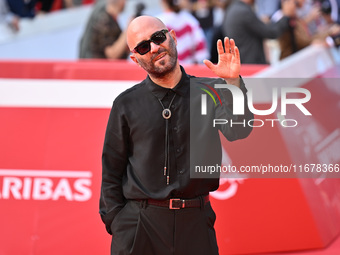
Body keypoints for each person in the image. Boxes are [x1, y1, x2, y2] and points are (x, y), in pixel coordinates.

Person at [100, 15, 253, 255]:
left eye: (158, 37)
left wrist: (233, 82)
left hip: (196, 225)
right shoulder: (125, 104)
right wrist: (118, 224)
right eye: (143, 46)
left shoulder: (211, 91)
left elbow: (239, 128)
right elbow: (111, 172)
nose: (154, 48)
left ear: (172, 36)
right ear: (135, 58)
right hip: (140, 228)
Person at [222, 0, 296, 64]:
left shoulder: (232, 10)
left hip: (244, 64)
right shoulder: (243, 12)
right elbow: (271, 32)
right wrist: (286, 16)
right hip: (251, 65)